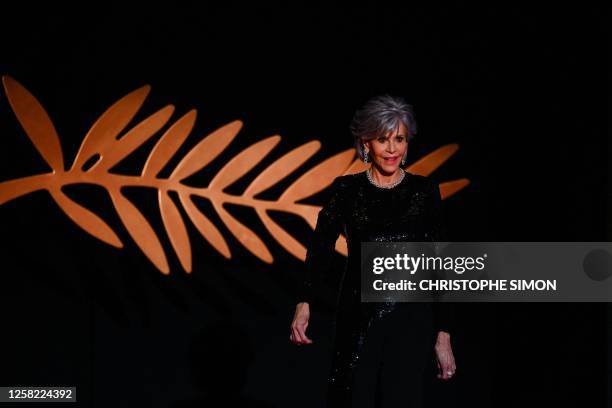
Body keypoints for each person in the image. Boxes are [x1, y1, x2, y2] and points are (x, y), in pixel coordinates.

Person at [289, 95, 456, 407]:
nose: (392, 149)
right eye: (383, 139)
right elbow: (320, 249)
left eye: (400, 139)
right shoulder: (346, 190)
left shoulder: (424, 192)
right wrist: (304, 301)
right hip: (358, 321)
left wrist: (443, 333)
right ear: (365, 142)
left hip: (410, 323)